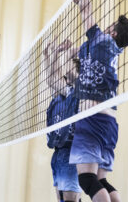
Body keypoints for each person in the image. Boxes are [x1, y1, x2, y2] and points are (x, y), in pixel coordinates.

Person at [68, 0, 128, 202]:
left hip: (92, 118)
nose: (106, 27)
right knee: (101, 180)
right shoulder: (107, 51)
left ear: (114, 33)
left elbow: (87, 14)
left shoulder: (104, 42)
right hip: (108, 122)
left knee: (86, 180)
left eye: (110, 27)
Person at [44, 39, 82, 202]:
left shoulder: (75, 94)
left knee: (70, 199)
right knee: (61, 198)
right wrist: (50, 55)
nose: (64, 78)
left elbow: (57, 78)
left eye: (68, 76)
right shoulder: (59, 97)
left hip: (71, 152)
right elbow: (52, 78)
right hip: (59, 152)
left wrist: (66, 53)